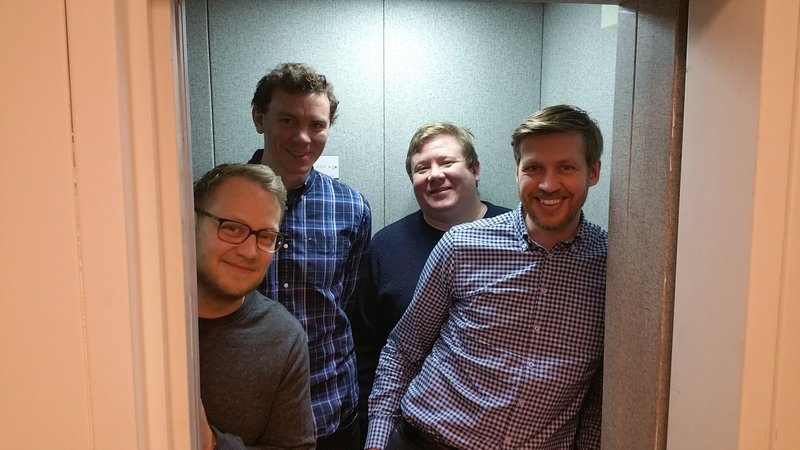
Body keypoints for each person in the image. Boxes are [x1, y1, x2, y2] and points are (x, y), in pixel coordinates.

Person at [366, 105, 607, 449]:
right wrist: (376, 443)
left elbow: (601, 391)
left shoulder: (611, 267)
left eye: (566, 167)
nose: (548, 184)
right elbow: (403, 351)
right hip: (425, 440)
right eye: (534, 168)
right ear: (517, 171)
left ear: (593, 172)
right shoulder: (462, 244)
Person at [348, 122, 509, 442]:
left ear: (475, 169)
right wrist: (374, 431)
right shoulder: (385, 248)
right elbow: (367, 349)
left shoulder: (517, 237)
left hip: (499, 431)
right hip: (411, 433)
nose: (435, 175)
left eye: (447, 162)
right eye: (422, 168)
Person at [248, 63, 372, 449]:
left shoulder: (352, 207)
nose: (303, 138)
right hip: (248, 412)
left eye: (317, 125)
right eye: (287, 120)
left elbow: (346, 303)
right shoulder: (217, 200)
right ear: (259, 118)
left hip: (331, 406)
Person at [194, 163, 315, 449]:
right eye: (232, 228)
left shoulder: (283, 338)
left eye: (266, 236)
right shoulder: (140, 315)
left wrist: (212, 444)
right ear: (191, 223)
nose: (249, 252)